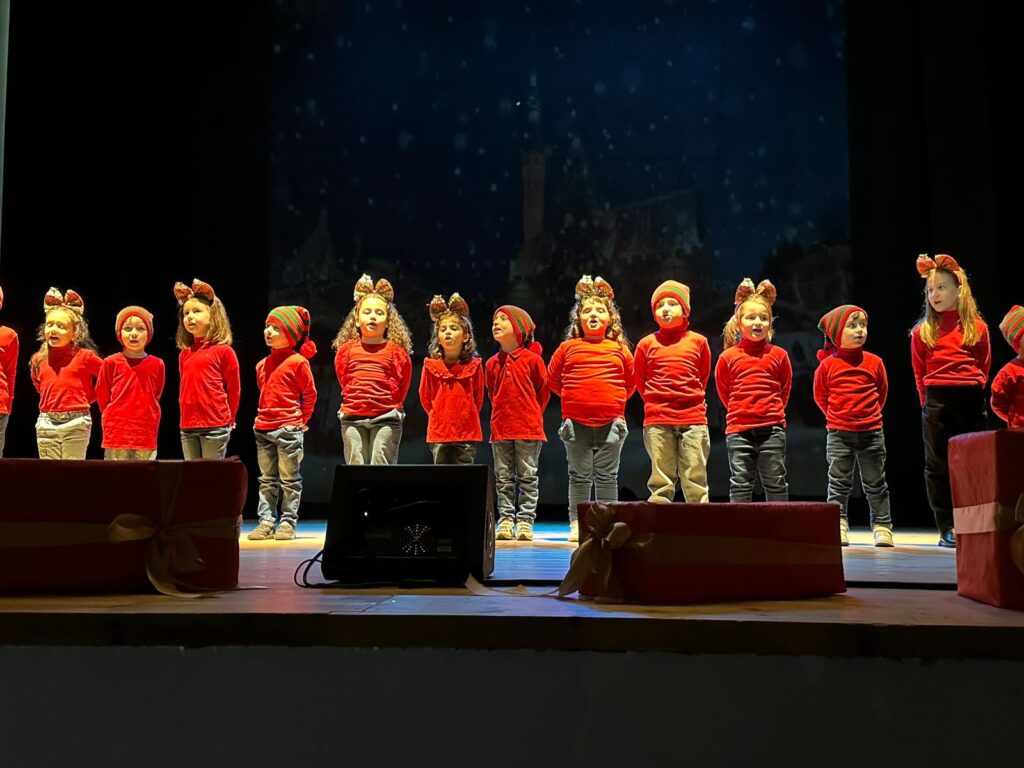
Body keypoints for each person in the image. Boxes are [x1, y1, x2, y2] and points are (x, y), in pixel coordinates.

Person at [911, 254, 989, 548]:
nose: (935, 295)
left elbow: (984, 364)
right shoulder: (923, 332)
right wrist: (927, 403)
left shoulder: (977, 328)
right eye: (930, 290)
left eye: (941, 288)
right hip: (937, 399)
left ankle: (973, 523)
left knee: (973, 463)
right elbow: (919, 371)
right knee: (939, 465)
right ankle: (947, 526)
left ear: (959, 290)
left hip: (969, 396)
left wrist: (974, 389)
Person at [548, 275, 634, 543]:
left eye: (600, 310)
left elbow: (630, 383)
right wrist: (575, 398)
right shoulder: (568, 348)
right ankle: (578, 523)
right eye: (587, 310)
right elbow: (553, 379)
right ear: (579, 318)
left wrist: (612, 401)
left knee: (607, 476)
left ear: (610, 318)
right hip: (576, 424)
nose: (593, 314)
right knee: (579, 476)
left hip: (612, 423)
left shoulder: (619, 348)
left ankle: (606, 523)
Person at [813, 305, 893, 547]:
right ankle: (838, 523)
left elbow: (882, 393)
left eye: (862, 325)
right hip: (839, 433)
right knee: (838, 481)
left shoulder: (874, 362)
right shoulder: (827, 365)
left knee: (876, 482)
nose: (859, 330)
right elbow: (821, 397)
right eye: (852, 325)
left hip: (871, 432)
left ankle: (882, 525)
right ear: (837, 334)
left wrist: (869, 417)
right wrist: (838, 418)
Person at [715, 278, 792, 503]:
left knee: (776, 480)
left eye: (763, 318)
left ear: (770, 324)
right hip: (739, 430)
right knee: (740, 481)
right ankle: (742, 533)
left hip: (772, 429)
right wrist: (741, 410)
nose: (757, 322)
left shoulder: (779, 355)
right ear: (738, 323)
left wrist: (772, 412)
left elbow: (784, 389)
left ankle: (780, 532)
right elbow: (724, 390)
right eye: (751, 317)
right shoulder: (728, 357)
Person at [634, 280, 711, 504]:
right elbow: (641, 380)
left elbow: (702, 376)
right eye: (660, 305)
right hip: (658, 419)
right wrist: (656, 402)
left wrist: (688, 399)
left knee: (695, 477)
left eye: (672, 303)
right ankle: (661, 526)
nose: (665, 308)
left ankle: (698, 526)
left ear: (685, 310)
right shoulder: (646, 344)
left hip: (693, 418)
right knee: (661, 480)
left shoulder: (699, 342)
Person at [248, 306, 318, 541]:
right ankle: (266, 521)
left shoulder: (298, 362)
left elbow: (309, 394)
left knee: (289, 479)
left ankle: (288, 521)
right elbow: (265, 392)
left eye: (276, 328)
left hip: (288, 429)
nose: (268, 331)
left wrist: (301, 420)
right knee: (266, 479)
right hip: (263, 428)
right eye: (267, 327)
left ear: (290, 333)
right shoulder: (261, 365)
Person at [333, 274, 413, 464]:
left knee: (380, 464)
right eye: (367, 312)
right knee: (355, 465)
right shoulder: (346, 350)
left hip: (386, 417)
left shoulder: (396, 351)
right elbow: (343, 378)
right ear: (357, 320)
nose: (373, 316)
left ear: (388, 322)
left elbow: (403, 384)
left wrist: (389, 403)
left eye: (379, 313)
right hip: (352, 417)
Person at [486, 304, 549, 541]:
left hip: (528, 429)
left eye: (503, 319)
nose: (496, 323)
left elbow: (542, 393)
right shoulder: (492, 363)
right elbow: (492, 392)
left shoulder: (533, 360)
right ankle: (505, 520)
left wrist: (529, 414)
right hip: (500, 429)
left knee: (528, 477)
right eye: (495, 319)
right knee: (503, 479)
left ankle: (525, 521)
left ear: (519, 328)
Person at [29, 288, 102, 459]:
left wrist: (88, 396)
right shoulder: (38, 359)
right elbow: (38, 382)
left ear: (74, 332)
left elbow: (107, 376)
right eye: (50, 324)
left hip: (76, 422)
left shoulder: (85, 357)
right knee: (50, 475)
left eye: (61, 326)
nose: (54, 330)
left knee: (72, 474)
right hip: (46, 422)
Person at [175, 278, 240, 459]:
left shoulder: (224, 352)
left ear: (213, 315)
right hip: (187, 426)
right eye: (186, 313)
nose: (190, 317)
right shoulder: (184, 355)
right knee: (192, 477)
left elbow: (234, 389)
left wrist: (231, 417)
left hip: (215, 425)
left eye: (196, 311)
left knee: (211, 477)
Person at [418, 293, 484, 465]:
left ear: (466, 336)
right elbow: (426, 397)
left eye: (454, 328)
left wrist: (465, 416)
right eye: (443, 329)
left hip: (467, 431)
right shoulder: (430, 366)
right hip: (440, 432)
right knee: (442, 477)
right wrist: (438, 415)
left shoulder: (475, 366)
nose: (448, 332)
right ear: (438, 338)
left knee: (465, 476)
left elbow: (478, 399)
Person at [96, 306, 165, 460]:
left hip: (145, 433)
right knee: (116, 478)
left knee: (144, 479)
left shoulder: (157, 364)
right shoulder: (110, 362)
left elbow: (156, 393)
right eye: (127, 328)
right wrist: (113, 414)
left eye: (140, 328)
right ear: (120, 334)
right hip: (117, 433)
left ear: (149, 333)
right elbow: (102, 395)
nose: (133, 333)